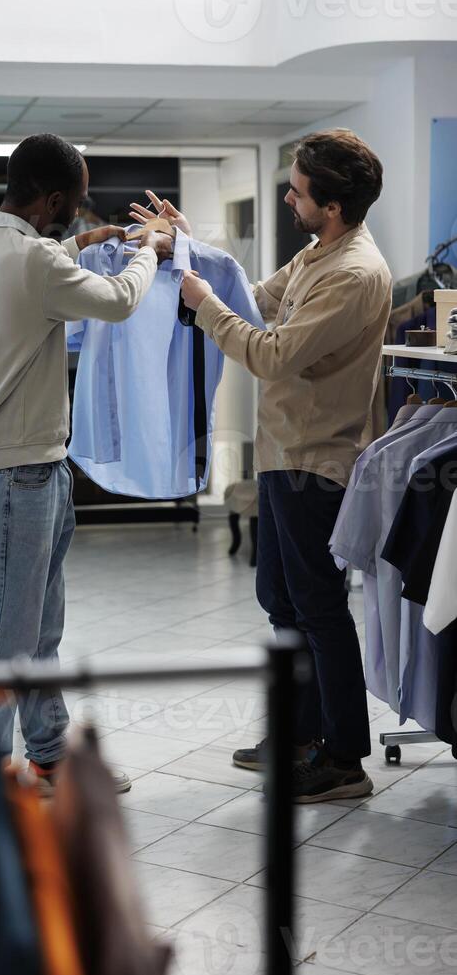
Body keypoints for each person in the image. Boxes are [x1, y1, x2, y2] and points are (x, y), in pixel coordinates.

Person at [135, 129, 392, 804]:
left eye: (299, 191)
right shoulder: (318, 254)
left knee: (319, 609)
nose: (288, 197)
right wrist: (185, 248)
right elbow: (254, 297)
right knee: (282, 600)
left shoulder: (356, 274)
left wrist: (202, 303)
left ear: (332, 206)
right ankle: (302, 736)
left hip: (317, 460)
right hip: (284, 451)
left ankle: (343, 758)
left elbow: (272, 353)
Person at [0, 133, 171, 793]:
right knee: (4, 638)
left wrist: (81, 243)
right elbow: (118, 301)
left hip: (26, 465)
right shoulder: (33, 263)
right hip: (17, 472)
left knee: (36, 627)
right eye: (74, 208)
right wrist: (151, 250)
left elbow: (44, 259)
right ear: (50, 200)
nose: (78, 217)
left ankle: (48, 754)